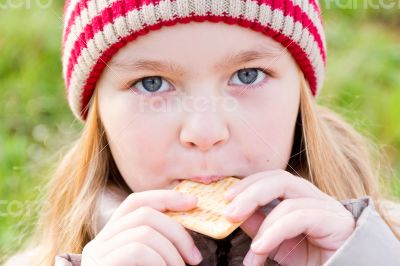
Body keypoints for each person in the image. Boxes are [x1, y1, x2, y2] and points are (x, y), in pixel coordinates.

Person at [5, 0, 400, 265]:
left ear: (300, 96)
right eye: (153, 83)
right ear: (99, 113)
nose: (206, 132)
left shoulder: (386, 244)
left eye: (248, 75)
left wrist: (361, 257)